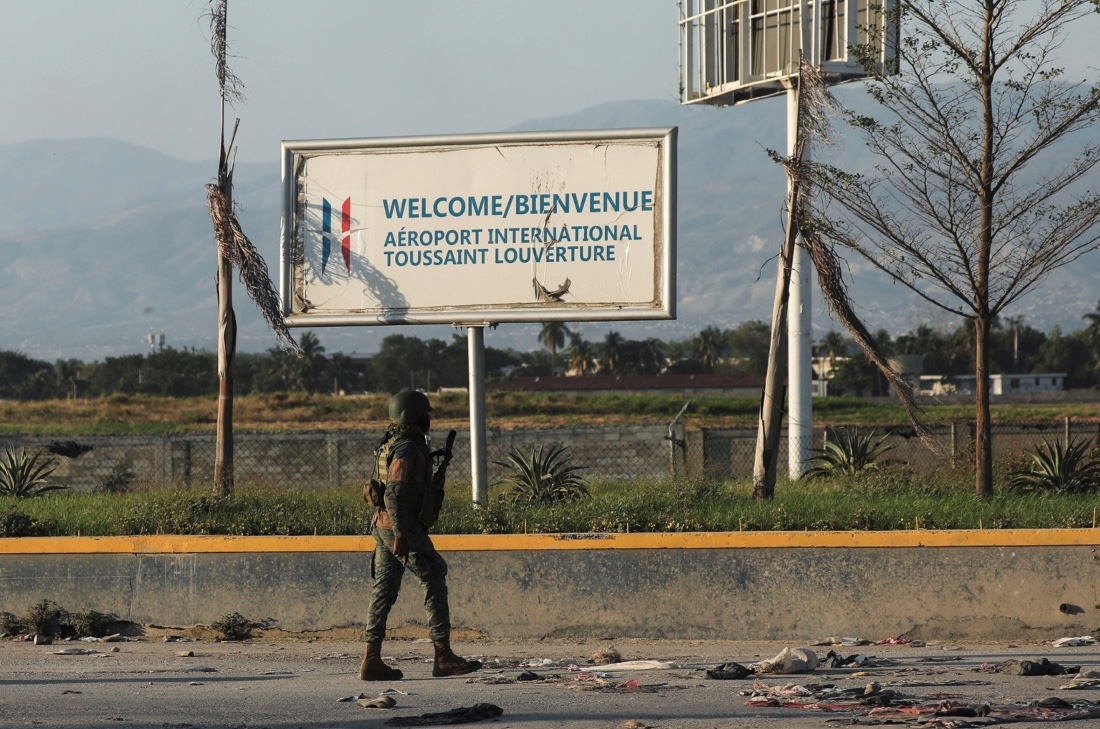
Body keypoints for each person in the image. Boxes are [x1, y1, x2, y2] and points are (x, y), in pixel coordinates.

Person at [359, 389, 482, 681]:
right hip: (399, 525)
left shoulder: (392, 442)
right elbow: (393, 494)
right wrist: (402, 533)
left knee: (384, 590)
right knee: (434, 573)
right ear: (412, 417)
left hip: (383, 525)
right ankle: (443, 657)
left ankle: (371, 660)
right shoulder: (407, 449)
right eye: (424, 414)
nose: (428, 419)